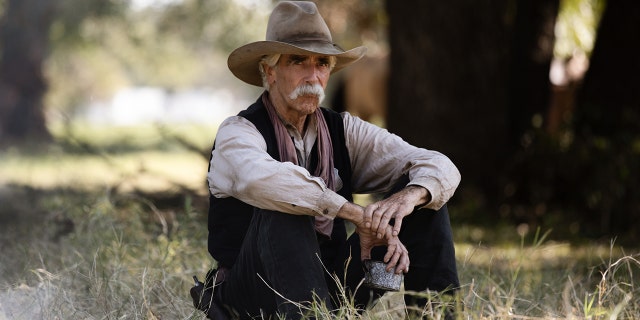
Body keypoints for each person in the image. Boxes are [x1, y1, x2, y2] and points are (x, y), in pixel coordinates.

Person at [199, 1, 461, 319]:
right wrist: (355, 214)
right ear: (269, 71)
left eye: (322, 63)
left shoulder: (343, 130)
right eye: (298, 61)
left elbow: (440, 165)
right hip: (256, 297)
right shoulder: (237, 133)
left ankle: (438, 315)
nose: (313, 75)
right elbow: (266, 181)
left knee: (424, 201)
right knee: (285, 207)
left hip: (334, 291)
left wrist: (406, 201)